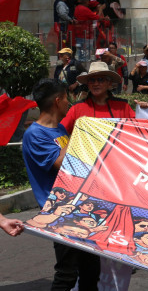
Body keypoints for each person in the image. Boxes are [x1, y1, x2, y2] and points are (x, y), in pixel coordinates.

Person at [23, 78, 101, 291]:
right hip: (60, 213)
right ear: (58, 101)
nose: (70, 103)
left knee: (91, 270)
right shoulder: (35, 135)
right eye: (67, 98)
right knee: (67, 274)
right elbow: (63, 163)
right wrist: (80, 134)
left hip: (79, 208)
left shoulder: (58, 130)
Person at [61, 61, 145, 134]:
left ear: (109, 83)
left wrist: (145, 111)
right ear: (88, 84)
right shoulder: (77, 108)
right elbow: (59, 133)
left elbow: (141, 129)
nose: (96, 84)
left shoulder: (122, 107)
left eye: (101, 80)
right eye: (92, 80)